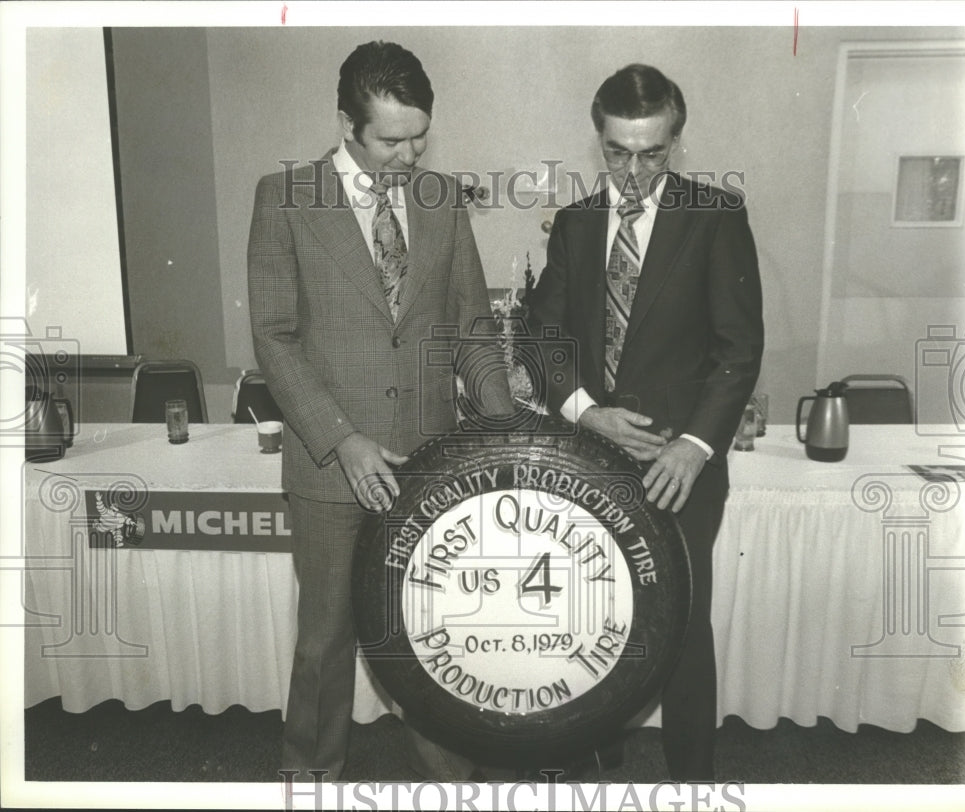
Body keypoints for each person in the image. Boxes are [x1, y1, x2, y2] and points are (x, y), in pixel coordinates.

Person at [247, 40, 512, 781]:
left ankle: (453, 780)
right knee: (326, 641)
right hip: (333, 468)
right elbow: (274, 338)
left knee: (429, 637)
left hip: (429, 466)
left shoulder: (441, 199)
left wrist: (503, 414)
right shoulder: (286, 198)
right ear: (346, 124)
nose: (409, 152)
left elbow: (471, 330)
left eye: (419, 134)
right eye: (391, 139)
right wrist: (343, 439)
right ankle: (312, 778)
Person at [527, 63, 764, 780]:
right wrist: (586, 412)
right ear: (598, 139)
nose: (633, 171)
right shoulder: (575, 223)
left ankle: (694, 784)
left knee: (681, 632)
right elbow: (542, 340)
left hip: (678, 470)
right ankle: (594, 764)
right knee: (593, 623)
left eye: (652, 153)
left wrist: (694, 448)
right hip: (593, 461)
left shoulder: (715, 216)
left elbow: (739, 348)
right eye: (617, 152)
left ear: (676, 140)